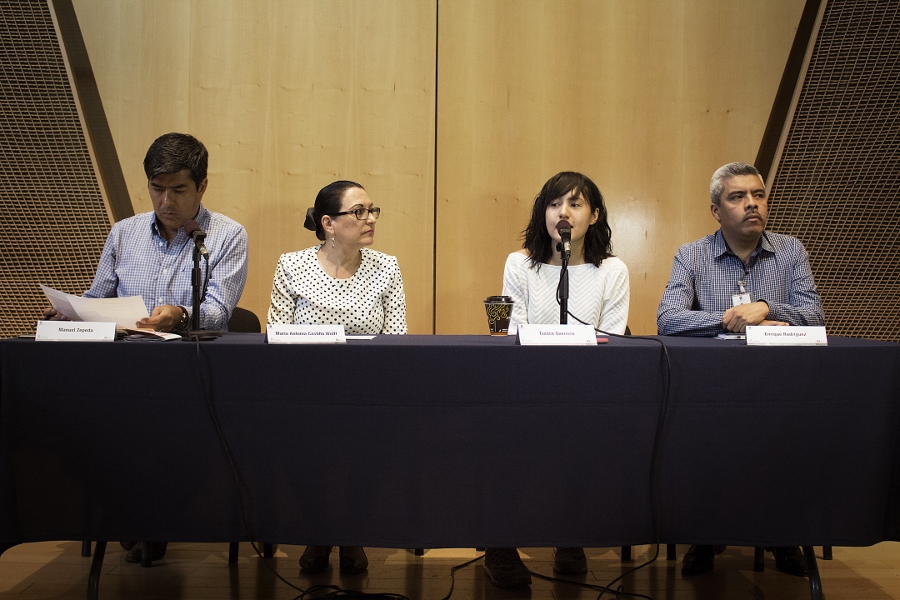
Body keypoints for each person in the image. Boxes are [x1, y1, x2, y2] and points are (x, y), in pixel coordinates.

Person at [44, 132, 249, 563]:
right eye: (157, 189)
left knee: (188, 442)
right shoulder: (124, 233)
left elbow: (219, 311)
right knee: (59, 430)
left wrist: (180, 315)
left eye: (179, 189)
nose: (166, 201)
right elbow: (98, 296)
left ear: (202, 186)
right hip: (123, 373)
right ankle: (138, 513)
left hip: (189, 373)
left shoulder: (226, 235)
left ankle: (147, 516)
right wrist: (72, 312)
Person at [657, 161, 824, 577]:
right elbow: (667, 319)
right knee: (705, 440)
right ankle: (705, 535)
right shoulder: (692, 255)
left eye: (758, 195)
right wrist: (730, 318)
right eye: (738, 197)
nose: (752, 204)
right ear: (716, 210)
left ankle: (781, 535)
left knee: (788, 438)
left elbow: (816, 317)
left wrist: (768, 308)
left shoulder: (791, 250)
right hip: (712, 391)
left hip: (781, 388)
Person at [485, 171, 630, 589]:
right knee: (495, 431)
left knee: (585, 432)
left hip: (589, 390)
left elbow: (612, 337)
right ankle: (500, 544)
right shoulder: (521, 263)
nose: (562, 212)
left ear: (594, 215)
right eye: (553, 204)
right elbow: (515, 328)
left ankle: (570, 536)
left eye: (574, 203)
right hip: (526, 387)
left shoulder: (612, 270)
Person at [267, 180, 407, 574]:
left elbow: (396, 338)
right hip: (307, 390)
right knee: (294, 435)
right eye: (358, 211)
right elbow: (277, 334)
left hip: (368, 390)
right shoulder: (291, 265)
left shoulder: (387, 267)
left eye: (372, 210)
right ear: (328, 223)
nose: (370, 219)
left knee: (379, 436)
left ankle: (350, 529)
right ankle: (319, 528)